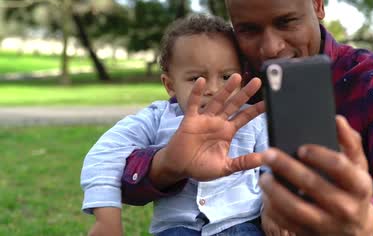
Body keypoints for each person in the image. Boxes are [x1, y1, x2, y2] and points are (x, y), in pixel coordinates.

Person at [121, 0, 373, 235]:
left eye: (286, 22)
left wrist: (370, 221)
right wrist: (166, 165)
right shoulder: (229, 81)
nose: (271, 48)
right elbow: (121, 178)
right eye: (248, 29)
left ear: (317, 3)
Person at [81, 15, 272, 236]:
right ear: (170, 85)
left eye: (227, 76)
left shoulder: (253, 118)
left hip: (241, 225)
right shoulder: (156, 118)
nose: (213, 88)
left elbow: (276, 168)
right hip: (176, 229)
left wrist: (273, 208)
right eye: (195, 78)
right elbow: (106, 153)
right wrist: (107, 220)